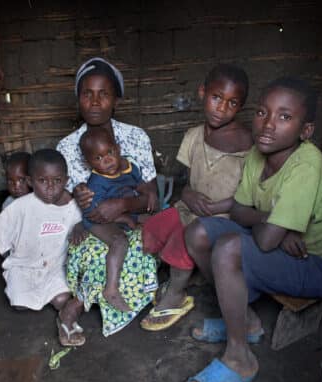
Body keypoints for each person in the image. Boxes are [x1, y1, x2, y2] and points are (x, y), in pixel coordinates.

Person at [181, 77, 322, 382]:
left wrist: (273, 230)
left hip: (317, 265)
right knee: (198, 231)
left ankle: (239, 357)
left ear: (306, 130)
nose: (268, 125)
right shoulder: (259, 154)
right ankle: (247, 321)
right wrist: (271, 223)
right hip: (281, 247)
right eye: (262, 112)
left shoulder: (307, 164)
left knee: (229, 248)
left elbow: (266, 240)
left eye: (284, 117)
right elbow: (242, 211)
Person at [140, 64, 252, 331]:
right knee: (156, 225)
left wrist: (216, 207)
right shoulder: (193, 136)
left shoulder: (249, 145)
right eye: (216, 98)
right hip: (191, 208)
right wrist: (188, 195)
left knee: (182, 237)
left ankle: (176, 293)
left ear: (241, 106)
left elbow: (251, 197)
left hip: (225, 217)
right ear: (203, 93)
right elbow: (188, 181)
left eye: (232, 103)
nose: (221, 108)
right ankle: (172, 276)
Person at [56, 57, 159, 338]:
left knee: (139, 244)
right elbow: (64, 202)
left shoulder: (135, 137)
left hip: (130, 218)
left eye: (104, 94)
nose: (95, 101)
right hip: (89, 226)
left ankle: (84, 305)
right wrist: (77, 210)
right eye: (87, 94)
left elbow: (152, 197)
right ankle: (76, 308)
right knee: (95, 250)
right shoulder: (66, 147)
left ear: (116, 99)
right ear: (78, 99)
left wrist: (123, 204)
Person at [0, 149, 87, 346]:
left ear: (66, 180)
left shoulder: (72, 206)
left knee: (62, 299)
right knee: (19, 303)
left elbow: (85, 223)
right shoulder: (21, 207)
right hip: (24, 266)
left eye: (57, 181)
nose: (50, 188)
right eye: (42, 181)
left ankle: (64, 316)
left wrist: (80, 225)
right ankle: (38, 295)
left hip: (56, 266)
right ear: (30, 181)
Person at [79, 127, 156, 312]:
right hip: (97, 220)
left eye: (110, 152)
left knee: (155, 222)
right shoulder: (96, 183)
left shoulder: (129, 166)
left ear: (118, 148)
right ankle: (111, 289)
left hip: (126, 211)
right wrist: (123, 219)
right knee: (119, 241)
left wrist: (149, 192)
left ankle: (154, 281)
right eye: (98, 158)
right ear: (88, 162)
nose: (107, 160)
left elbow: (139, 184)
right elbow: (94, 211)